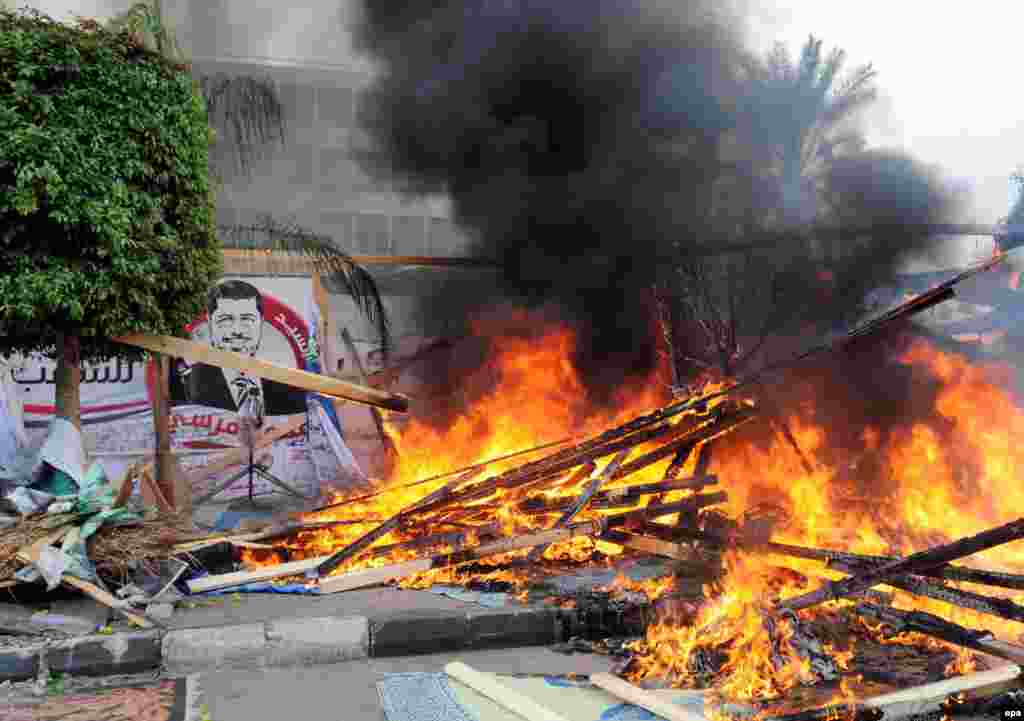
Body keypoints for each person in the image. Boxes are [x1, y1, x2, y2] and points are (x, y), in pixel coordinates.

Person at [169, 279, 308, 415]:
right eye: (226, 320)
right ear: (210, 322)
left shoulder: (287, 385)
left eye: (247, 319)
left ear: (260, 322)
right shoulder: (187, 384)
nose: (237, 331)